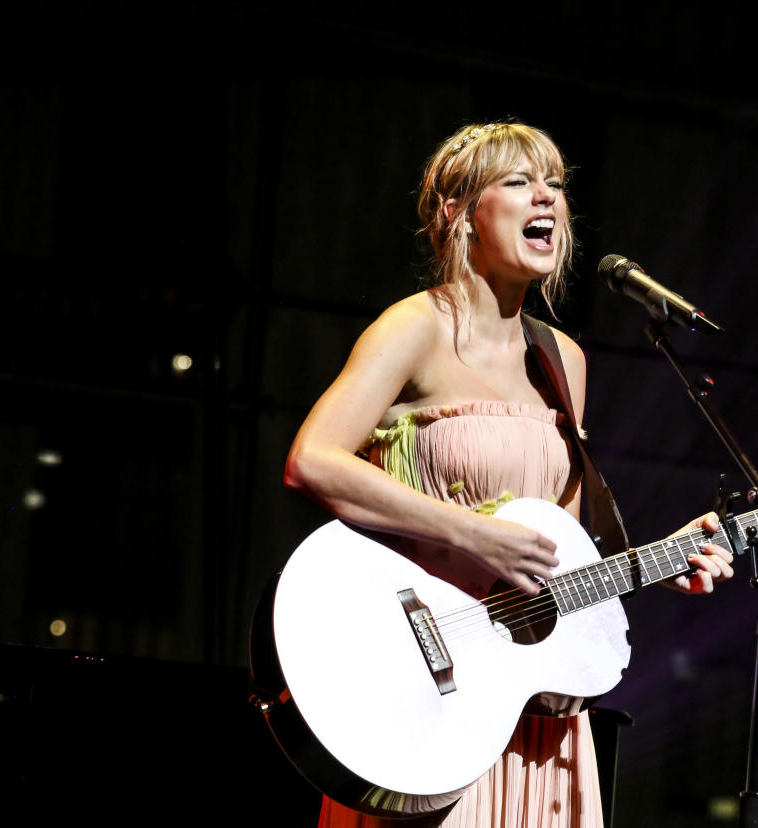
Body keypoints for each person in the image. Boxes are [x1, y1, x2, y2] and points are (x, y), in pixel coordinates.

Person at [284, 120, 734, 828]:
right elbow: (312, 461)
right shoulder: (415, 328)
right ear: (459, 213)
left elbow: (557, 551)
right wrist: (473, 535)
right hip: (431, 693)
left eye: (555, 184)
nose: (548, 199)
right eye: (521, 182)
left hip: (529, 706)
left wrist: (655, 561)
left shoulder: (563, 359)